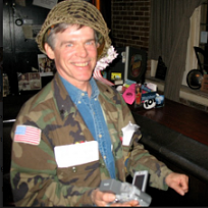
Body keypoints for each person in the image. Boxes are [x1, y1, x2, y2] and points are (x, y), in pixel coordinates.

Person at [10, 0, 189, 207]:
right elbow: (30, 197)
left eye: (88, 42)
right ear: (50, 50)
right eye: (69, 44)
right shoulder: (33, 117)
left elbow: (130, 152)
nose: (83, 53)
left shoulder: (112, 98)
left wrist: (165, 176)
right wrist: (90, 198)